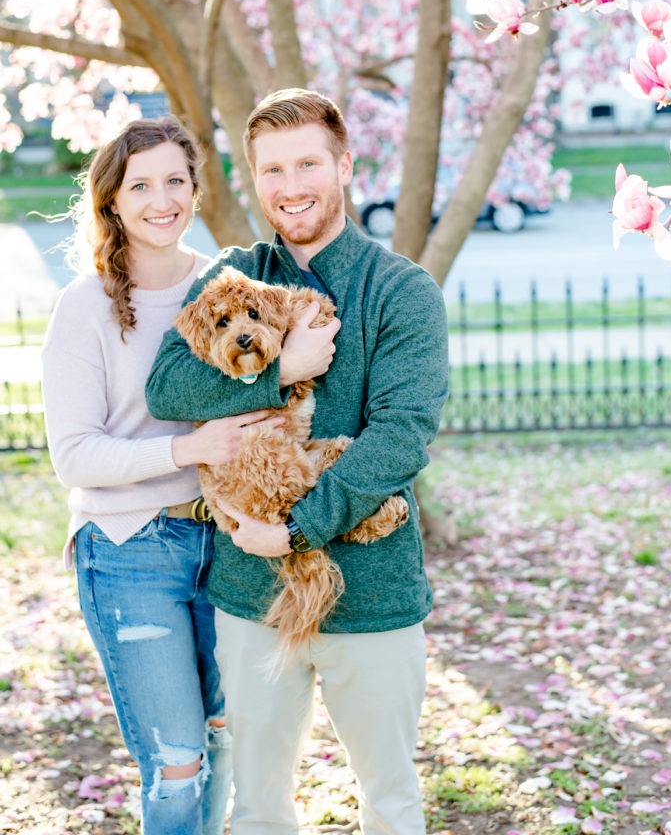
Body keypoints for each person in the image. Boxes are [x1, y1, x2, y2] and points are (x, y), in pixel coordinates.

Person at [146, 89, 450, 835]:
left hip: (371, 598)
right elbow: (167, 386)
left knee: (390, 802)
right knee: (256, 809)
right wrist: (278, 371)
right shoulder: (234, 275)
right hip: (250, 597)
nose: (290, 187)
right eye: (272, 169)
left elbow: (400, 436)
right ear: (254, 178)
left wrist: (300, 528)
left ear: (344, 164)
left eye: (307, 163)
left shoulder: (401, 292)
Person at [41, 117, 280, 835]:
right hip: (127, 548)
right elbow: (73, 457)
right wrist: (187, 450)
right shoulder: (84, 308)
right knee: (176, 762)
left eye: (176, 180)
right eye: (140, 185)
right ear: (112, 200)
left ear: (196, 190)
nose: (161, 199)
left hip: (230, 539)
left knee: (225, 733)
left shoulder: (221, 287)